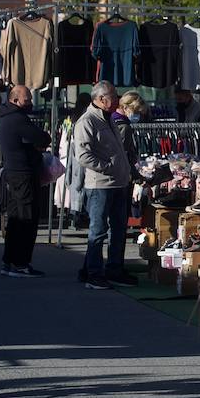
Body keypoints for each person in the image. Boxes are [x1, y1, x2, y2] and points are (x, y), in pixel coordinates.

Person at [74, 81, 140, 290]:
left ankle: (114, 269)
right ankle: (93, 273)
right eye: (114, 96)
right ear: (101, 99)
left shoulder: (109, 118)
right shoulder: (87, 121)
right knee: (98, 230)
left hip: (118, 184)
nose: (118, 99)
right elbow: (83, 155)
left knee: (119, 229)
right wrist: (108, 167)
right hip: (100, 185)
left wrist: (126, 171)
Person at [0, 85, 51, 277]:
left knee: (15, 220)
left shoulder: (6, 118)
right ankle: (20, 263)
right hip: (23, 175)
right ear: (15, 100)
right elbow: (42, 137)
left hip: (14, 174)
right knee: (26, 219)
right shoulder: (17, 119)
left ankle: (9, 261)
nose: (30, 103)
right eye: (27, 100)